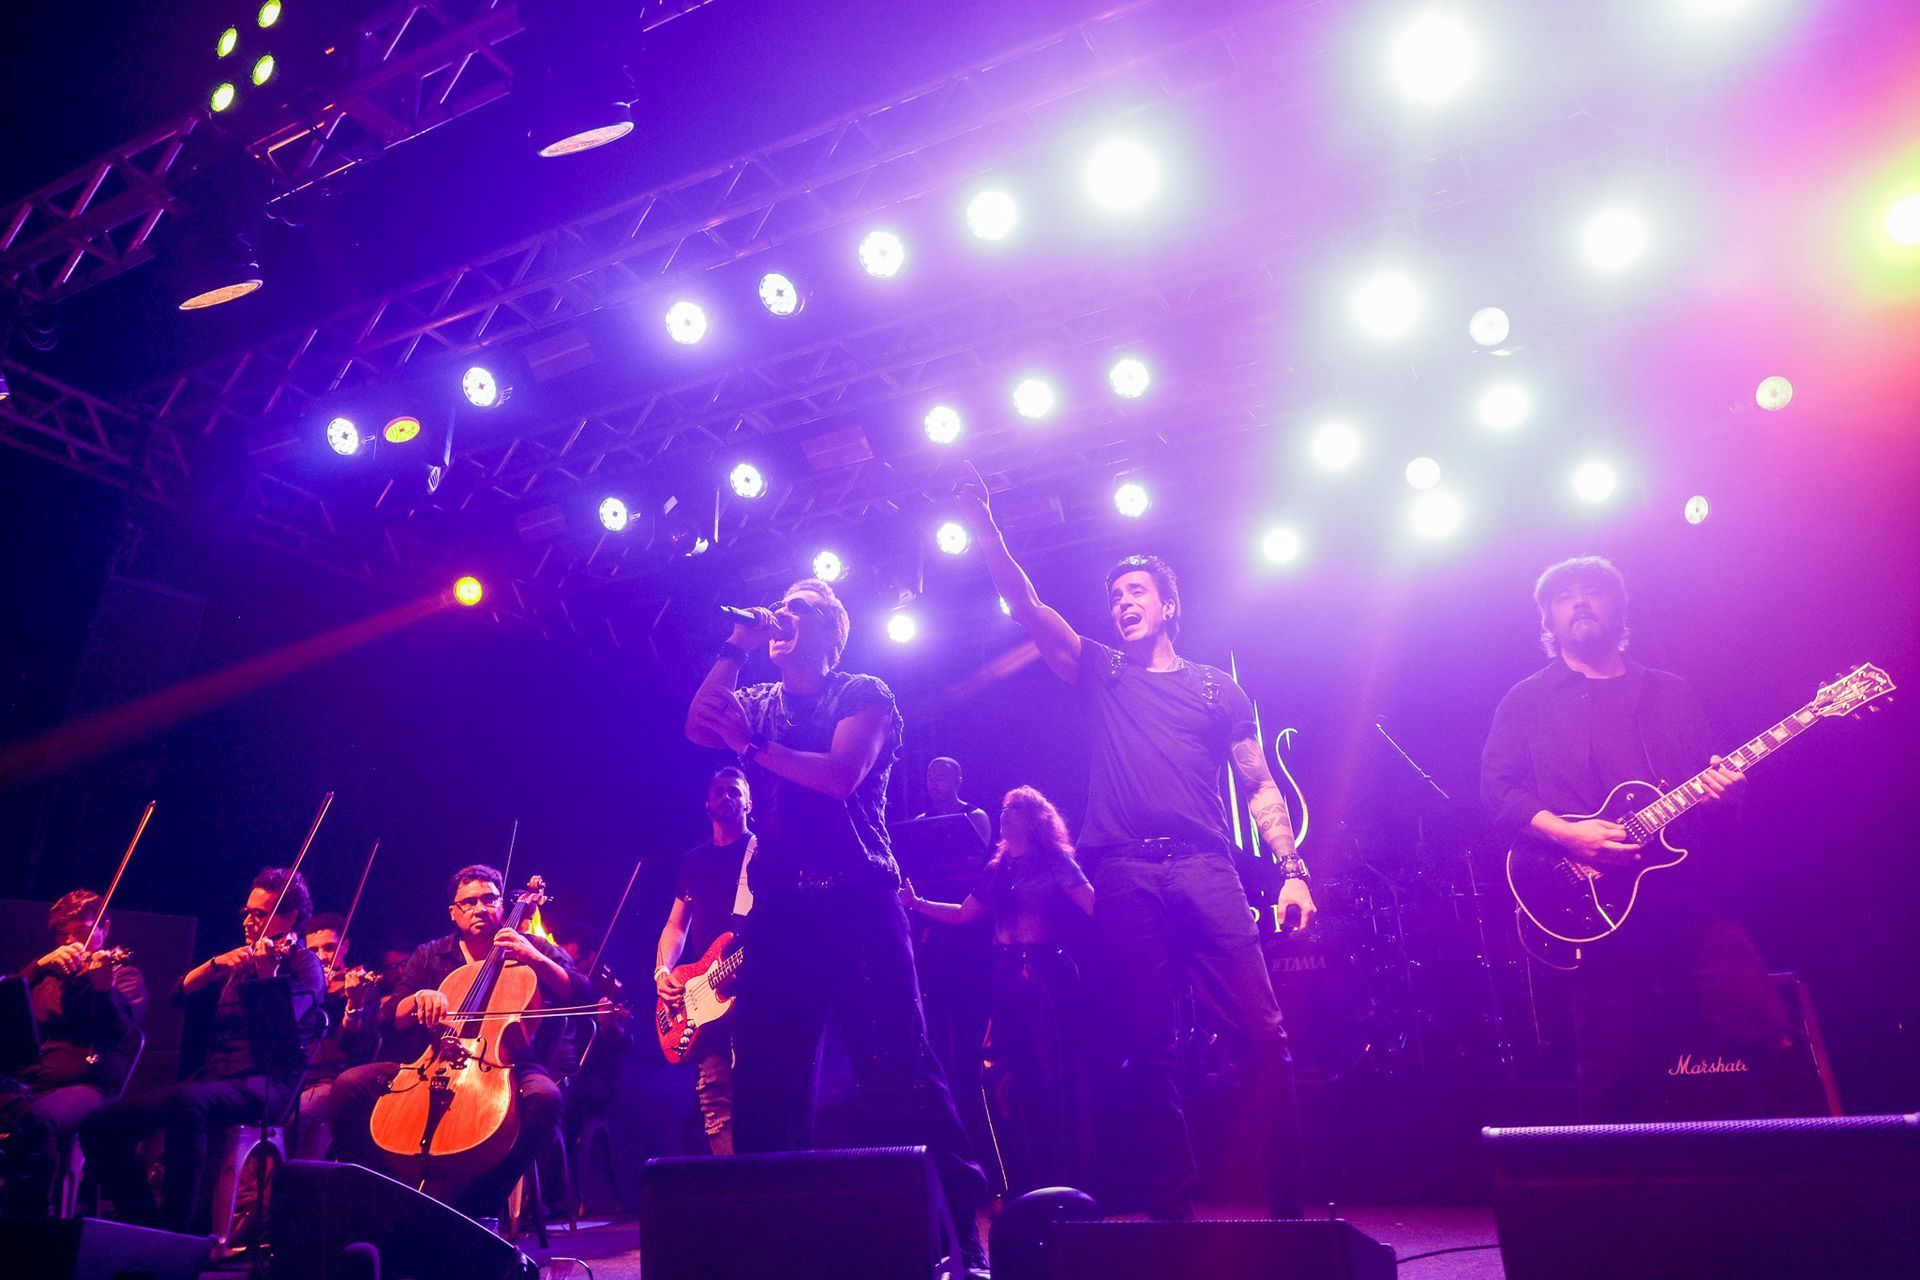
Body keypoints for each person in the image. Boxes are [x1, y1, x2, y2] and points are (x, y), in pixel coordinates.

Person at [958, 467, 1314, 1220]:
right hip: (1122, 872)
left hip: (1206, 867)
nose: (1122, 602)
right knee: (1145, 1048)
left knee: (1260, 1033)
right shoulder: (1102, 672)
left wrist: (1292, 869)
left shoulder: (1217, 689)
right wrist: (984, 525)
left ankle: (1291, 1212)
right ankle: (1171, 1216)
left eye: (1136, 591)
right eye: (1114, 595)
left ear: (1169, 604)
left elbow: (1259, 784)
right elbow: (1026, 606)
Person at [685, 577, 988, 1276]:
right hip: (783, 913)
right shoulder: (761, 698)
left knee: (900, 1072)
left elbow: (839, 776)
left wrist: (751, 749)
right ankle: (775, 1249)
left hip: (859, 905)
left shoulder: (861, 692)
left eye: (797, 609)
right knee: (766, 1079)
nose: (781, 616)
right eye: (779, 609)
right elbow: (699, 723)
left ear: (830, 631)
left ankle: (957, 1235)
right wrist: (736, 645)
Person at [1480, 555, 1817, 1120]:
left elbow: (1705, 793)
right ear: (1548, 619)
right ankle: (1616, 1177)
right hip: (1594, 902)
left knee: (1767, 1033)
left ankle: (1804, 1159)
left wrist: (1725, 795)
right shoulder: (1525, 701)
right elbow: (1497, 790)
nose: (1579, 602)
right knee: (1608, 1070)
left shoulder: (1669, 692)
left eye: (1593, 591)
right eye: (1564, 596)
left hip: (1684, 896)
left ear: (1620, 609)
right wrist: (1569, 835)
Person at [326, 864, 592, 1218]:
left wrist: (535, 958)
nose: (480, 908)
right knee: (349, 1086)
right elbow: (389, 1017)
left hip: (507, 1063)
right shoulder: (430, 954)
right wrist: (419, 998)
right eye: (468, 902)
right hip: (431, 1062)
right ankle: (384, 1195)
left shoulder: (532, 947)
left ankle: (478, 1210)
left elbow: (581, 992)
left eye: (489, 899)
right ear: (453, 912)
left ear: (502, 904)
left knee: (546, 1100)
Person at [80, 868, 325, 1232]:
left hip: (263, 1085)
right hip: (216, 1079)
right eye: (246, 912)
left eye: (260, 914)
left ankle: (180, 1229)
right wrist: (214, 965)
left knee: (187, 1103)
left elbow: (277, 1033)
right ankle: (141, 1220)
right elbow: (177, 993)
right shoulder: (243, 960)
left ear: (289, 918)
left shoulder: (305, 965)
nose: (248, 921)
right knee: (101, 1125)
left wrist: (267, 975)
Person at [902, 786, 1095, 1195]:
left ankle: (1067, 1176)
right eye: (1004, 809)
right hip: (1007, 976)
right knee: (1002, 1072)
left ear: (1035, 818)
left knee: (1054, 1070)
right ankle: (1019, 1179)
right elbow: (963, 914)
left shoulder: (1056, 862)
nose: (1005, 815)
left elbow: (1095, 906)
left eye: (1015, 809)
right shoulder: (999, 868)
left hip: (1048, 977)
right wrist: (917, 904)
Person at [0, 890, 148, 1216]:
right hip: (31, 1080)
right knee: (20, 1112)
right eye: (62, 935)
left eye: (81, 931)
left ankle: (29, 1221)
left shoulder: (124, 976)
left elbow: (119, 1034)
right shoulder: (47, 975)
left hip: (89, 1083)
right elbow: (7, 1004)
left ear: (104, 928)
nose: (71, 942)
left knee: (33, 1121)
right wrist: (39, 966)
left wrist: (103, 988)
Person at [655, 766, 755, 1155]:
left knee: (756, 1086)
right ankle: (728, 1179)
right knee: (713, 1093)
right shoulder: (692, 861)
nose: (726, 797)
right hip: (704, 989)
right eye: (718, 792)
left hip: (752, 984)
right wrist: (662, 971)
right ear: (707, 804)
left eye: (735, 791)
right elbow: (675, 925)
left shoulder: (762, 853)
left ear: (749, 802)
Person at [291, 912, 381, 1159]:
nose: (322, 957)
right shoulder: (303, 986)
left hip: (332, 1080)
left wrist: (354, 1002)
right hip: (296, 1079)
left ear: (345, 946)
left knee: (297, 1114)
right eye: (313, 950)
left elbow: (351, 1045)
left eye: (329, 948)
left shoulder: (364, 987)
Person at [919, 757, 992, 846]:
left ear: (957, 782)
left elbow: (979, 853)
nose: (933, 784)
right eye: (930, 779)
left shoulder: (975, 817)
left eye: (940, 778)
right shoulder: (921, 820)